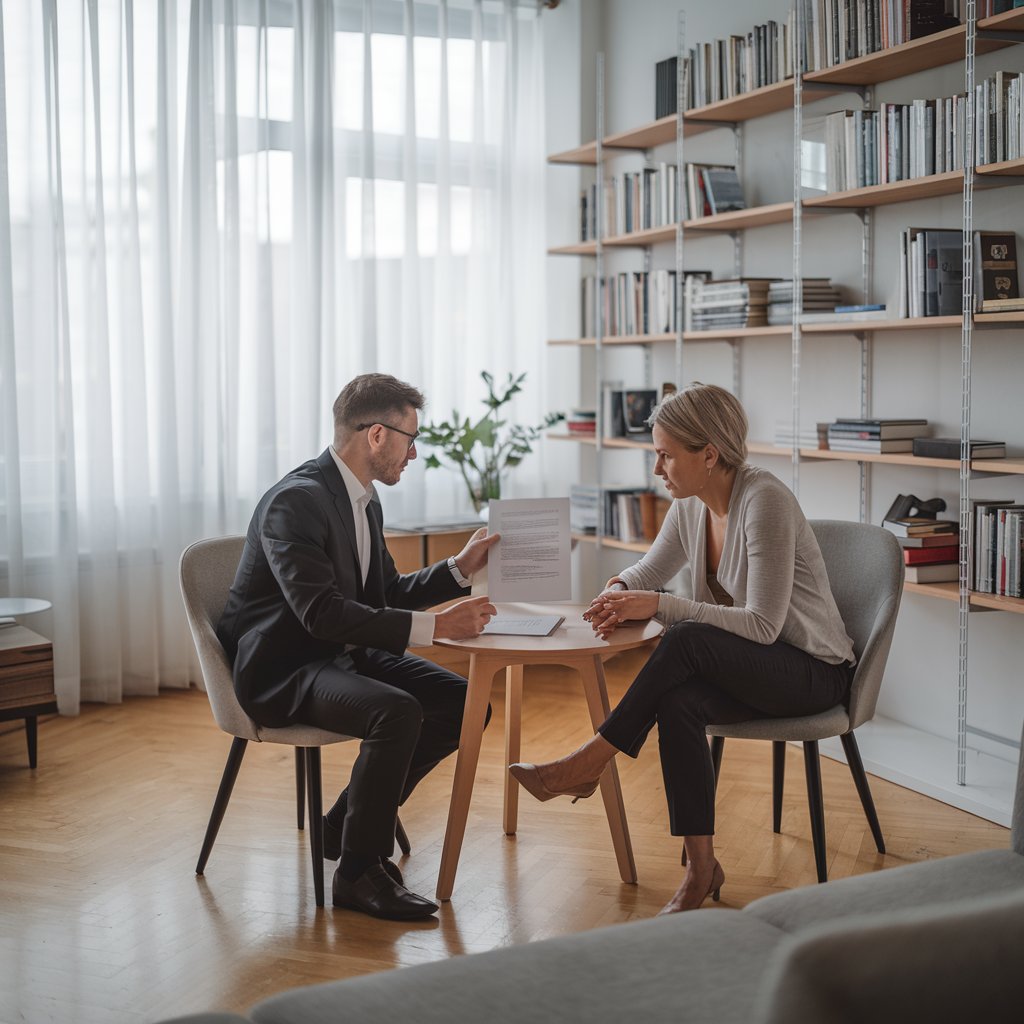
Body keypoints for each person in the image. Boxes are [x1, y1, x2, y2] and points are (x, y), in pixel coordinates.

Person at [510, 382, 855, 914]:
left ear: (709, 455)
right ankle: (701, 869)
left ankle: (589, 761)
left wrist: (661, 606)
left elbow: (763, 626)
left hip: (812, 671)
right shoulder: (691, 504)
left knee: (685, 636)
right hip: (759, 671)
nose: (657, 470)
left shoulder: (764, 502)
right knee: (678, 701)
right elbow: (652, 568)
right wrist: (621, 590)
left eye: (666, 456)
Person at [218, 373, 498, 921]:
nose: (414, 453)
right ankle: (357, 872)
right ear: (376, 435)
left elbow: (384, 594)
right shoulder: (295, 503)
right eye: (410, 439)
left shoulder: (362, 500)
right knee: (396, 711)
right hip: (286, 668)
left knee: (468, 705)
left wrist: (458, 571)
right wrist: (438, 630)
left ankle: (342, 825)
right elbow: (320, 614)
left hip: (337, 653)